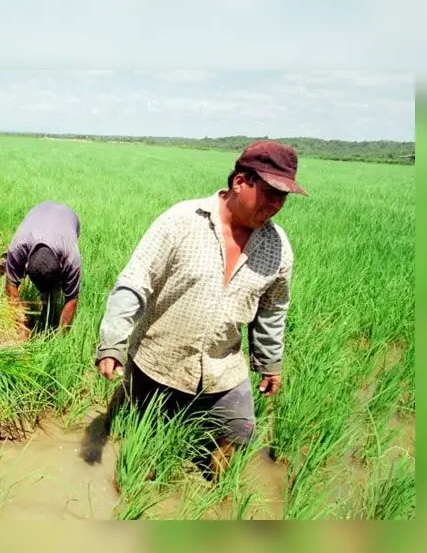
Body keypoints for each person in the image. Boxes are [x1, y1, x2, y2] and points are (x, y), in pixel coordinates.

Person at [85, 140, 308, 482]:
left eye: (284, 196)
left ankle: (216, 495)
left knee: (239, 432)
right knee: (141, 447)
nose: (277, 204)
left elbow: (272, 309)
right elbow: (134, 282)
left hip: (223, 365)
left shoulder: (278, 247)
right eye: (270, 192)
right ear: (240, 181)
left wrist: (269, 363)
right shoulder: (182, 221)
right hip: (159, 359)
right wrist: (112, 343)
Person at [0, 201, 82, 333]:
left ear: (60, 266)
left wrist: (61, 336)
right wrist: (21, 325)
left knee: (52, 291)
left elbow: (72, 300)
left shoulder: (72, 259)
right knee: (5, 263)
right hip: (39, 213)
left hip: (68, 218)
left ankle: (47, 312)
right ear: (26, 265)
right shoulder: (19, 246)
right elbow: (11, 285)